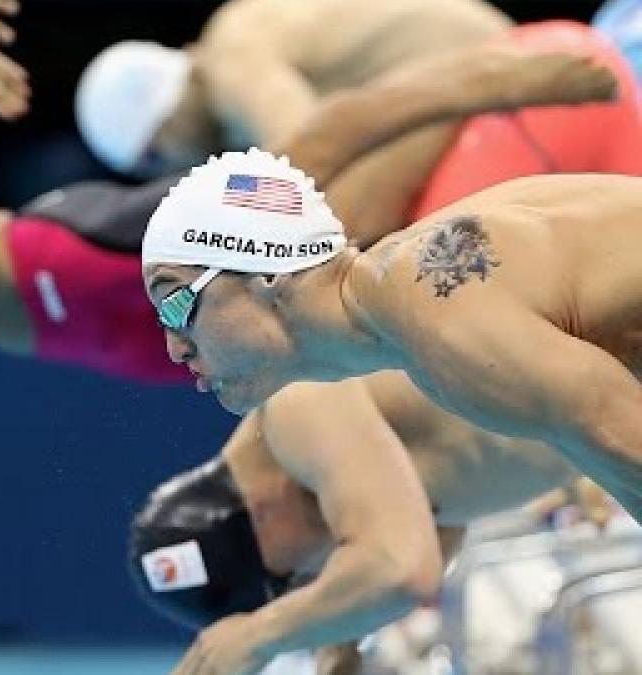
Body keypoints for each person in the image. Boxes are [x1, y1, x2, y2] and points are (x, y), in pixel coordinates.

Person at [0, 0, 615, 383]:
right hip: (76, 327)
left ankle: (471, 87)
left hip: (57, 273)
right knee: (327, 334)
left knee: (286, 208)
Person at [140, 24, 642, 543]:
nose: (174, 349)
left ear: (268, 271)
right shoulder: (419, 327)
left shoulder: (433, 308)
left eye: (175, 303)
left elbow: (618, 426)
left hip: (553, 82)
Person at [130, 370, 585, 674]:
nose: (310, 581)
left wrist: (258, 635)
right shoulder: (345, 461)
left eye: (286, 582)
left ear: (258, 516)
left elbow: (403, 572)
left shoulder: (298, 401)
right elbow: (432, 526)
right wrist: (343, 631)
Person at [74, 0, 511, 176]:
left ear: (165, 115)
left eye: (155, 157)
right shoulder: (233, 48)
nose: (172, 173)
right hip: (479, 81)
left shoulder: (232, 56)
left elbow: (315, 163)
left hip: (498, 76)